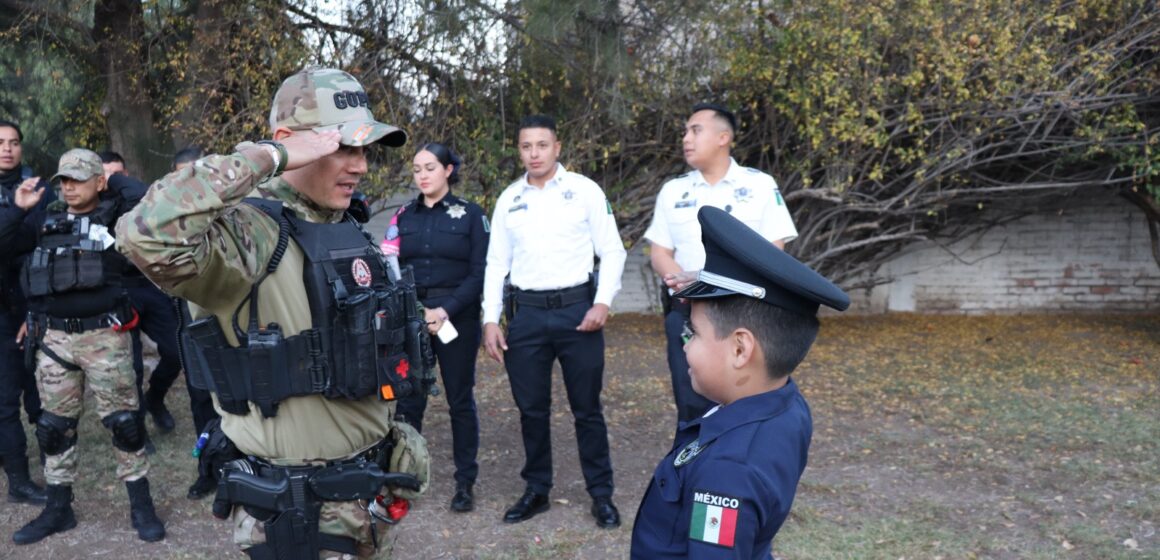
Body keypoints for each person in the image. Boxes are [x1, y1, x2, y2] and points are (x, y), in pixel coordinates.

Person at [117, 66, 430, 559]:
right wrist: (269, 157)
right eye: (341, 147)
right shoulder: (251, 233)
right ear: (290, 141)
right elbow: (143, 233)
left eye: (363, 150)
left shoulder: (343, 224)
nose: (360, 165)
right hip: (301, 513)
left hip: (366, 497)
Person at [631, 206, 849, 558]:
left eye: (695, 334)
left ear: (739, 349)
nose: (686, 344)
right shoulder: (786, 401)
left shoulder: (727, 472)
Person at [12, 148, 165, 545]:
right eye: (63, 179)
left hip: (106, 337)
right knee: (53, 429)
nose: (68, 187)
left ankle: (140, 505)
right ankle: (58, 509)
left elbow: (148, 197)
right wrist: (18, 209)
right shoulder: (43, 219)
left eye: (78, 179)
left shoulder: (118, 216)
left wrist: (110, 178)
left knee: (124, 424)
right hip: (55, 341)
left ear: (98, 182)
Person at [481, 114, 627, 528]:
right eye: (526, 146)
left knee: (587, 410)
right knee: (531, 410)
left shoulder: (584, 191)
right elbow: (495, 264)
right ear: (520, 150)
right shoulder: (510, 198)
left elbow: (612, 251)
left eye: (542, 145)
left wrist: (602, 303)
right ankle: (537, 490)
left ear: (557, 148)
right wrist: (491, 320)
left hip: (578, 313)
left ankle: (601, 494)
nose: (534, 154)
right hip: (525, 317)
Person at [644, 103, 798, 426]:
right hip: (688, 314)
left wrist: (715, 281)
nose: (686, 138)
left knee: (751, 405)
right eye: (685, 131)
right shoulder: (673, 191)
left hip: (746, 313)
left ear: (723, 137)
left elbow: (775, 247)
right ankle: (694, 474)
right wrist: (685, 282)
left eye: (695, 130)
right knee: (691, 405)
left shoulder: (759, 186)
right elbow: (659, 251)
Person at [388, 143, 488, 513]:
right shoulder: (403, 216)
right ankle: (405, 477)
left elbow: (480, 273)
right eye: (416, 169)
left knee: (460, 400)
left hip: (455, 318)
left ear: (448, 169)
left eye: (430, 167)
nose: (423, 175)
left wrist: (445, 310)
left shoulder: (471, 216)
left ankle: (465, 483)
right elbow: (389, 265)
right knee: (409, 400)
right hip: (411, 318)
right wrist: (415, 309)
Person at [0, 119, 51, 506]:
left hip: (25, 305)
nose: (7, 149)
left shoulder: (38, 190)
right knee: (4, 401)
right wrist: (16, 212)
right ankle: (17, 479)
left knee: (36, 394)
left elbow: (43, 251)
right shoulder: (21, 199)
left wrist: (32, 310)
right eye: (0, 142)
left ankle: (49, 467)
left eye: (14, 142)